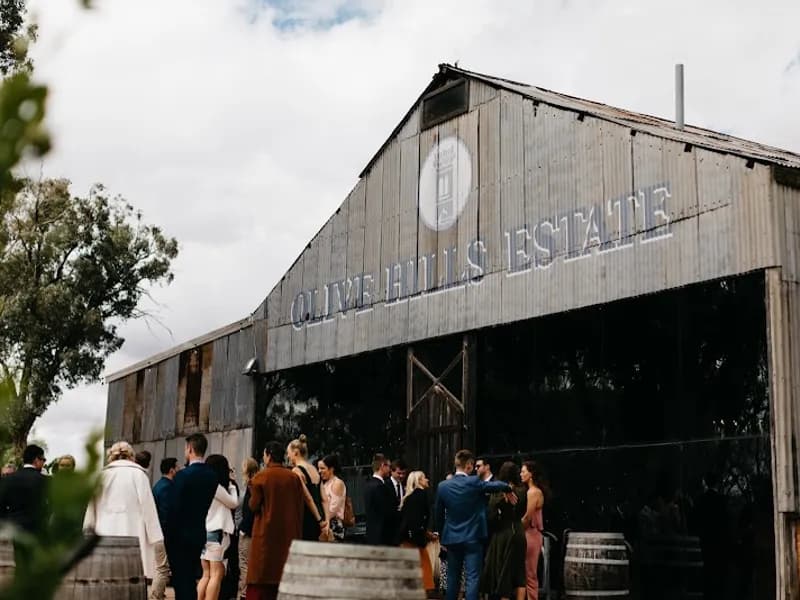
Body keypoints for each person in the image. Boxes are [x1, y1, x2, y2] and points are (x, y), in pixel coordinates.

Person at [435, 449, 512, 600]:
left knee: (452, 579)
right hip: (473, 537)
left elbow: (438, 514)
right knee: (473, 578)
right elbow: (494, 486)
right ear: (469, 465)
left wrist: (442, 536)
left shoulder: (442, 486)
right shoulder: (474, 482)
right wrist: (507, 488)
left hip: (451, 538)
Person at [83, 441, 163, 580]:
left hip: (104, 534)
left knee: (106, 577)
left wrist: (87, 531)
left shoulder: (101, 476)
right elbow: (148, 508)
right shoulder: (139, 475)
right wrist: (156, 538)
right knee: (132, 577)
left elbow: (91, 508)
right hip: (132, 534)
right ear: (131, 456)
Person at [246, 441, 306, 600]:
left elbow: (253, 506)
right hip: (288, 537)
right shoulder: (294, 478)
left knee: (262, 583)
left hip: (265, 538)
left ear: (268, 456)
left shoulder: (260, 477)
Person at [164, 433, 219, 600]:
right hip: (198, 533)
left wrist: (167, 533)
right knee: (189, 580)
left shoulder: (182, 476)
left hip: (179, 536)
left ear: (190, 448)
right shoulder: (212, 476)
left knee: (182, 582)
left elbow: (173, 508)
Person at [481, 462, 527, 600]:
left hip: (504, 532)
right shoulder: (523, 490)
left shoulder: (498, 492)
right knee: (519, 573)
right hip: (519, 531)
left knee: (503, 572)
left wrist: (501, 498)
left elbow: (491, 512)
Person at [197, 454, 238, 600]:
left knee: (206, 575)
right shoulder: (216, 486)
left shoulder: (202, 485)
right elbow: (234, 503)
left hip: (204, 532)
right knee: (216, 575)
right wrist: (232, 485)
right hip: (216, 533)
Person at [399, 471, 435, 594]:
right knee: (424, 570)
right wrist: (421, 534)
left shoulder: (409, 497)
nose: (427, 480)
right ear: (419, 481)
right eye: (424, 478)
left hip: (407, 539)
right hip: (416, 540)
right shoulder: (421, 495)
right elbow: (418, 519)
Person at [286, 434, 327, 541]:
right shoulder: (314, 469)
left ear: (295, 452)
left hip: (307, 519)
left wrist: (319, 520)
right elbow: (324, 499)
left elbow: (308, 498)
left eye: (288, 453)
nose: (288, 456)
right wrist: (326, 522)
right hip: (320, 519)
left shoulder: (296, 471)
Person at [0, 444, 48, 534]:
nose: (44, 463)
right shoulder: (44, 480)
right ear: (37, 460)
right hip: (38, 527)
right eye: (43, 460)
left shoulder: (7, 479)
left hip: (15, 527)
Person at [150, 457, 178, 600]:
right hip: (163, 533)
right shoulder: (167, 487)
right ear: (172, 469)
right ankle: (156, 596)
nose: (178, 469)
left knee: (160, 567)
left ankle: (157, 595)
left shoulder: (158, 485)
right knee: (163, 569)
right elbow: (166, 514)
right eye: (177, 467)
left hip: (157, 532)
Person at [520, 461, 545, 600]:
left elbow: (528, 518)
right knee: (527, 573)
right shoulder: (531, 492)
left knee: (530, 573)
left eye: (523, 471)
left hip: (531, 534)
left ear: (531, 474)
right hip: (530, 534)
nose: (521, 474)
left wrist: (515, 529)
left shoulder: (533, 492)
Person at [238, 458, 259, 600]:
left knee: (244, 564)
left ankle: (244, 594)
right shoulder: (256, 483)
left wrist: (242, 528)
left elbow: (250, 509)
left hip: (248, 531)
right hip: (254, 531)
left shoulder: (252, 485)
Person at [364, 453, 394, 545]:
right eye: (389, 466)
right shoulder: (380, 487)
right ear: (382, 466)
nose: (390, 469)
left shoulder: (368, 485)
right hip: (382, 536)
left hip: (371, 534)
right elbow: (385, 513)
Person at [318, 454, 346, 542]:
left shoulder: (337, 483)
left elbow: (333, 509)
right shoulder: (325, 484)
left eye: (323, 468)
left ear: (331, 469)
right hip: (325, 524)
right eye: (319, 468)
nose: (319, 471)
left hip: (333, 525)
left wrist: (320, 519)